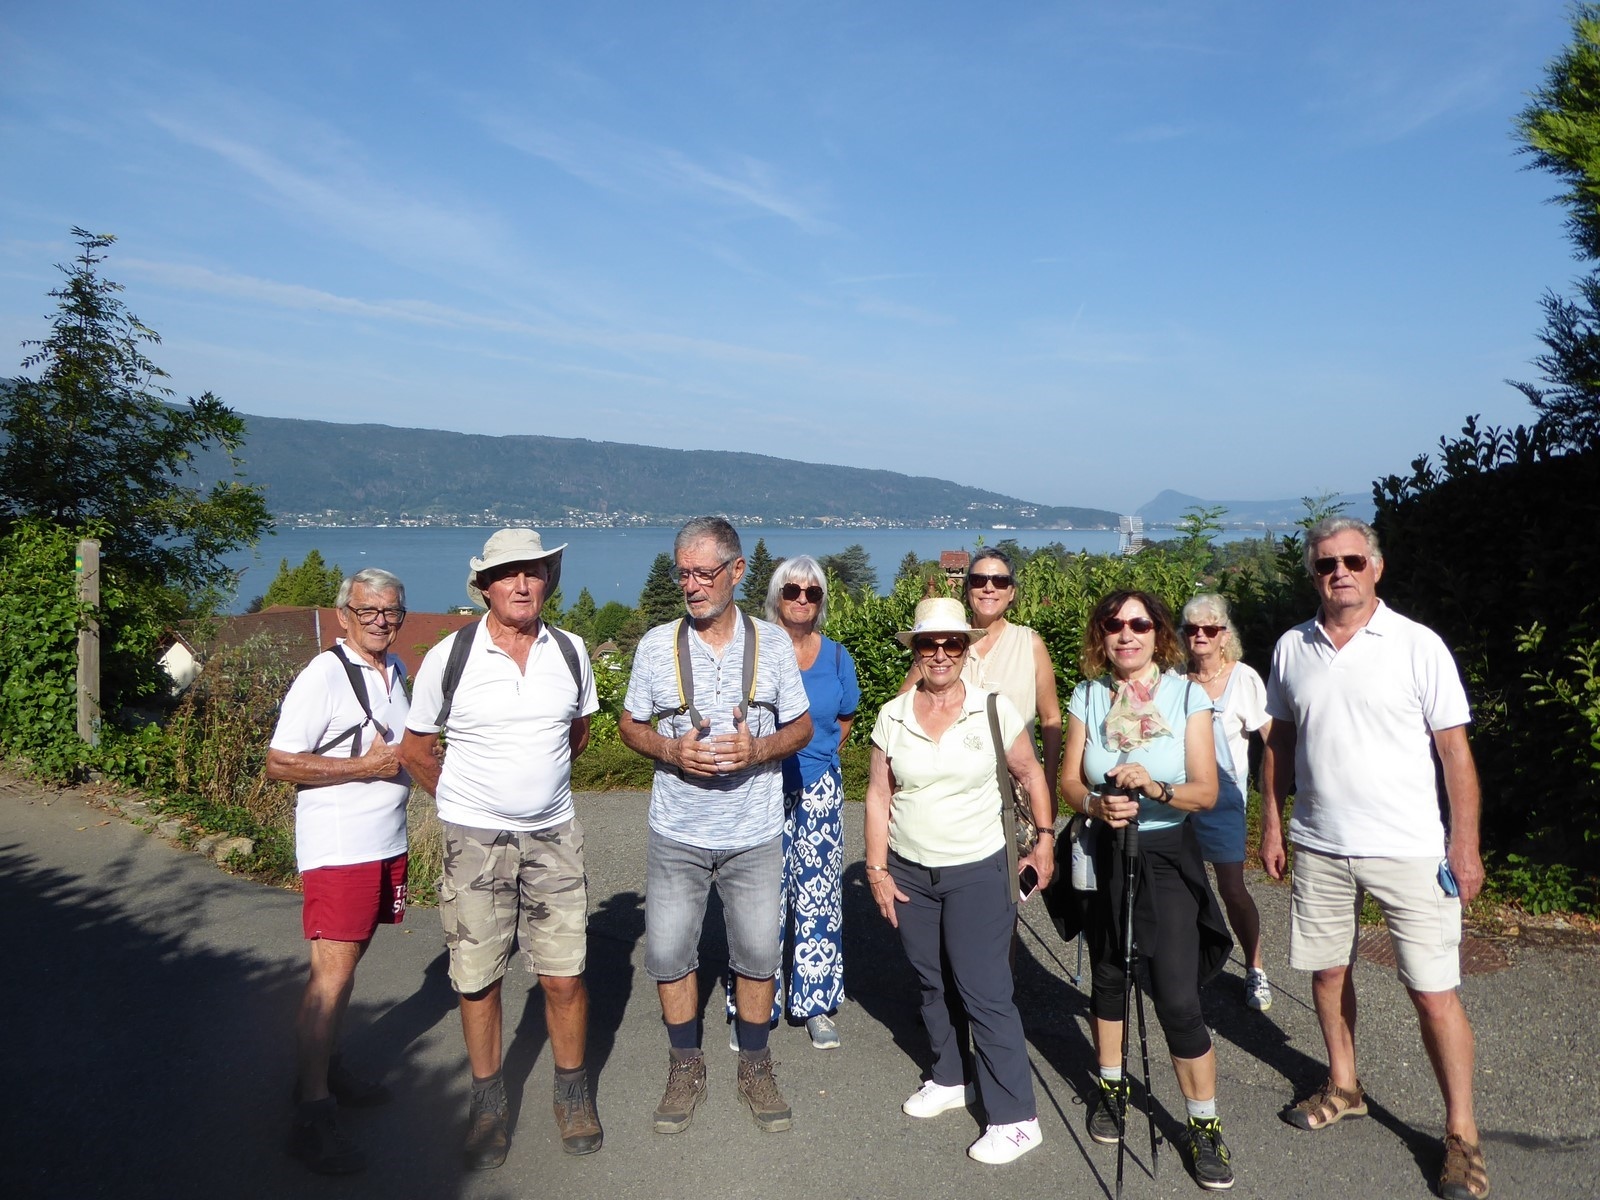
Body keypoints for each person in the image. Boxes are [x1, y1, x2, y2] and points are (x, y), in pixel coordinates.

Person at [1259, 517, 1488, 1200]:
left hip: (1410, 848)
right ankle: (1344, 1085)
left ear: (1376, 567)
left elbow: (1454, 753)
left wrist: (1464, 845)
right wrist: (1272, 824)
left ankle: (1462, 1135)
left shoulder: (1418, 645)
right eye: (1327, 564)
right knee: (1328, 972)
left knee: (1433, 992)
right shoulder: (1292, 647)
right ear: (1313, 573)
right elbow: (1279, 745)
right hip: (1320, 843)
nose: (1341, 573)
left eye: (1353, 561)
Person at [396, 529, 601, 1168]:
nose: (522, 584)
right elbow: (415, 749)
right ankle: (488, 1102)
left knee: (564, 974)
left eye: (533, 572)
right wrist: (466, 803)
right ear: (484, 587)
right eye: (507, 574)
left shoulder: (571, 651)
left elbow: (577, 735)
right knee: (477, 979)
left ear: (547, 582)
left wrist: (535, 792)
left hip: (554, 836)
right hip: (473, 842)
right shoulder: (450, 656)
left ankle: (572, 1091)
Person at [618, 517, 814, 1135]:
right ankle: (685, 1065)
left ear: (737, 571)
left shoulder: (772, 645)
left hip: (754, 831)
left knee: (757, 953)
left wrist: (759, 750)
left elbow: (802, 727)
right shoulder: (657, 646)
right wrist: (670, 750)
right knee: (668, 952)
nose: (692, 586)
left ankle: (755, 1066)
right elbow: (629, 725)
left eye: (704, 573)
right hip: (677, 830)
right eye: (684, 573)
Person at [864, 596, 1056, 1165]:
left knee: (985, 990)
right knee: (931, 981)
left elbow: (1030, 774)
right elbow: (878, 795)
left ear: (966, 649)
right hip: (910, 870)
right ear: (917, 651)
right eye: (929, 643)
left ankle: (1016, 1118)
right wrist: (876, 868)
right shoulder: (892, 715)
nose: (941, 653)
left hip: (978, 868)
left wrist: (1045, 840)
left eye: (952, 643)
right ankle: (951, 1077)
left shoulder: (993, 709)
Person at [1059, 590, 1235, 1193]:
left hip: (1165, 856)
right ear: (1102, 635)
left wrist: (1156, 788)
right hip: (1106, 851)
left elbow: (1206, 791)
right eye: (1114, 624)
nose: (1126, 634)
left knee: (1177, 997)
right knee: (1109, 975)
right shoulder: (1087, 696)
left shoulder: (1187, 696)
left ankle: (1203, 1124)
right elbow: (1068, 780)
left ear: (1158, 633)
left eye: (1138, 623)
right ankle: (1112, 1089)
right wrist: (1093, 804)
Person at [267, 567, 412, 1176]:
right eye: (367, 610)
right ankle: (312, 1111)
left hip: (384, 844)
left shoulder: (395, 670)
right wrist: (362, 769)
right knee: (330, 975)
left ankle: (324, 1070)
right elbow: (279, 762)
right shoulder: (324, 674)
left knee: (345, 970)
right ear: (344, 615)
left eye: (391, 611)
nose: (380, 621)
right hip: (340, 849)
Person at [722, 555, 860, 1050]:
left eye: (812, 592)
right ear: (775, 596)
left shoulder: (837, 657)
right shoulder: (753, 652)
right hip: (761, 785)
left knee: (818, 897)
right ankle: (753, 1007)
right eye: (792, 590)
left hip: (819, 788)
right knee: (758, 900)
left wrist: (820, 756)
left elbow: (845, 717)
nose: (802, 599)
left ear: (821, 601)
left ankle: (815, 1003)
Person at [1181, 593, 1274, 1012]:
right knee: (1180, 887)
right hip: (1178, 799)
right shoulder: (1175, 679)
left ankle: (1255, 967)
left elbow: (1272, 739)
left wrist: (1273, 803)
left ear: (1224, 635)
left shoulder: (1244, 679)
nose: (1200, 636)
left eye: (1210, 629)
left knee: (1232, 888)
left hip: (1225, 802)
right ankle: (1187, 965)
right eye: (1192, 629)